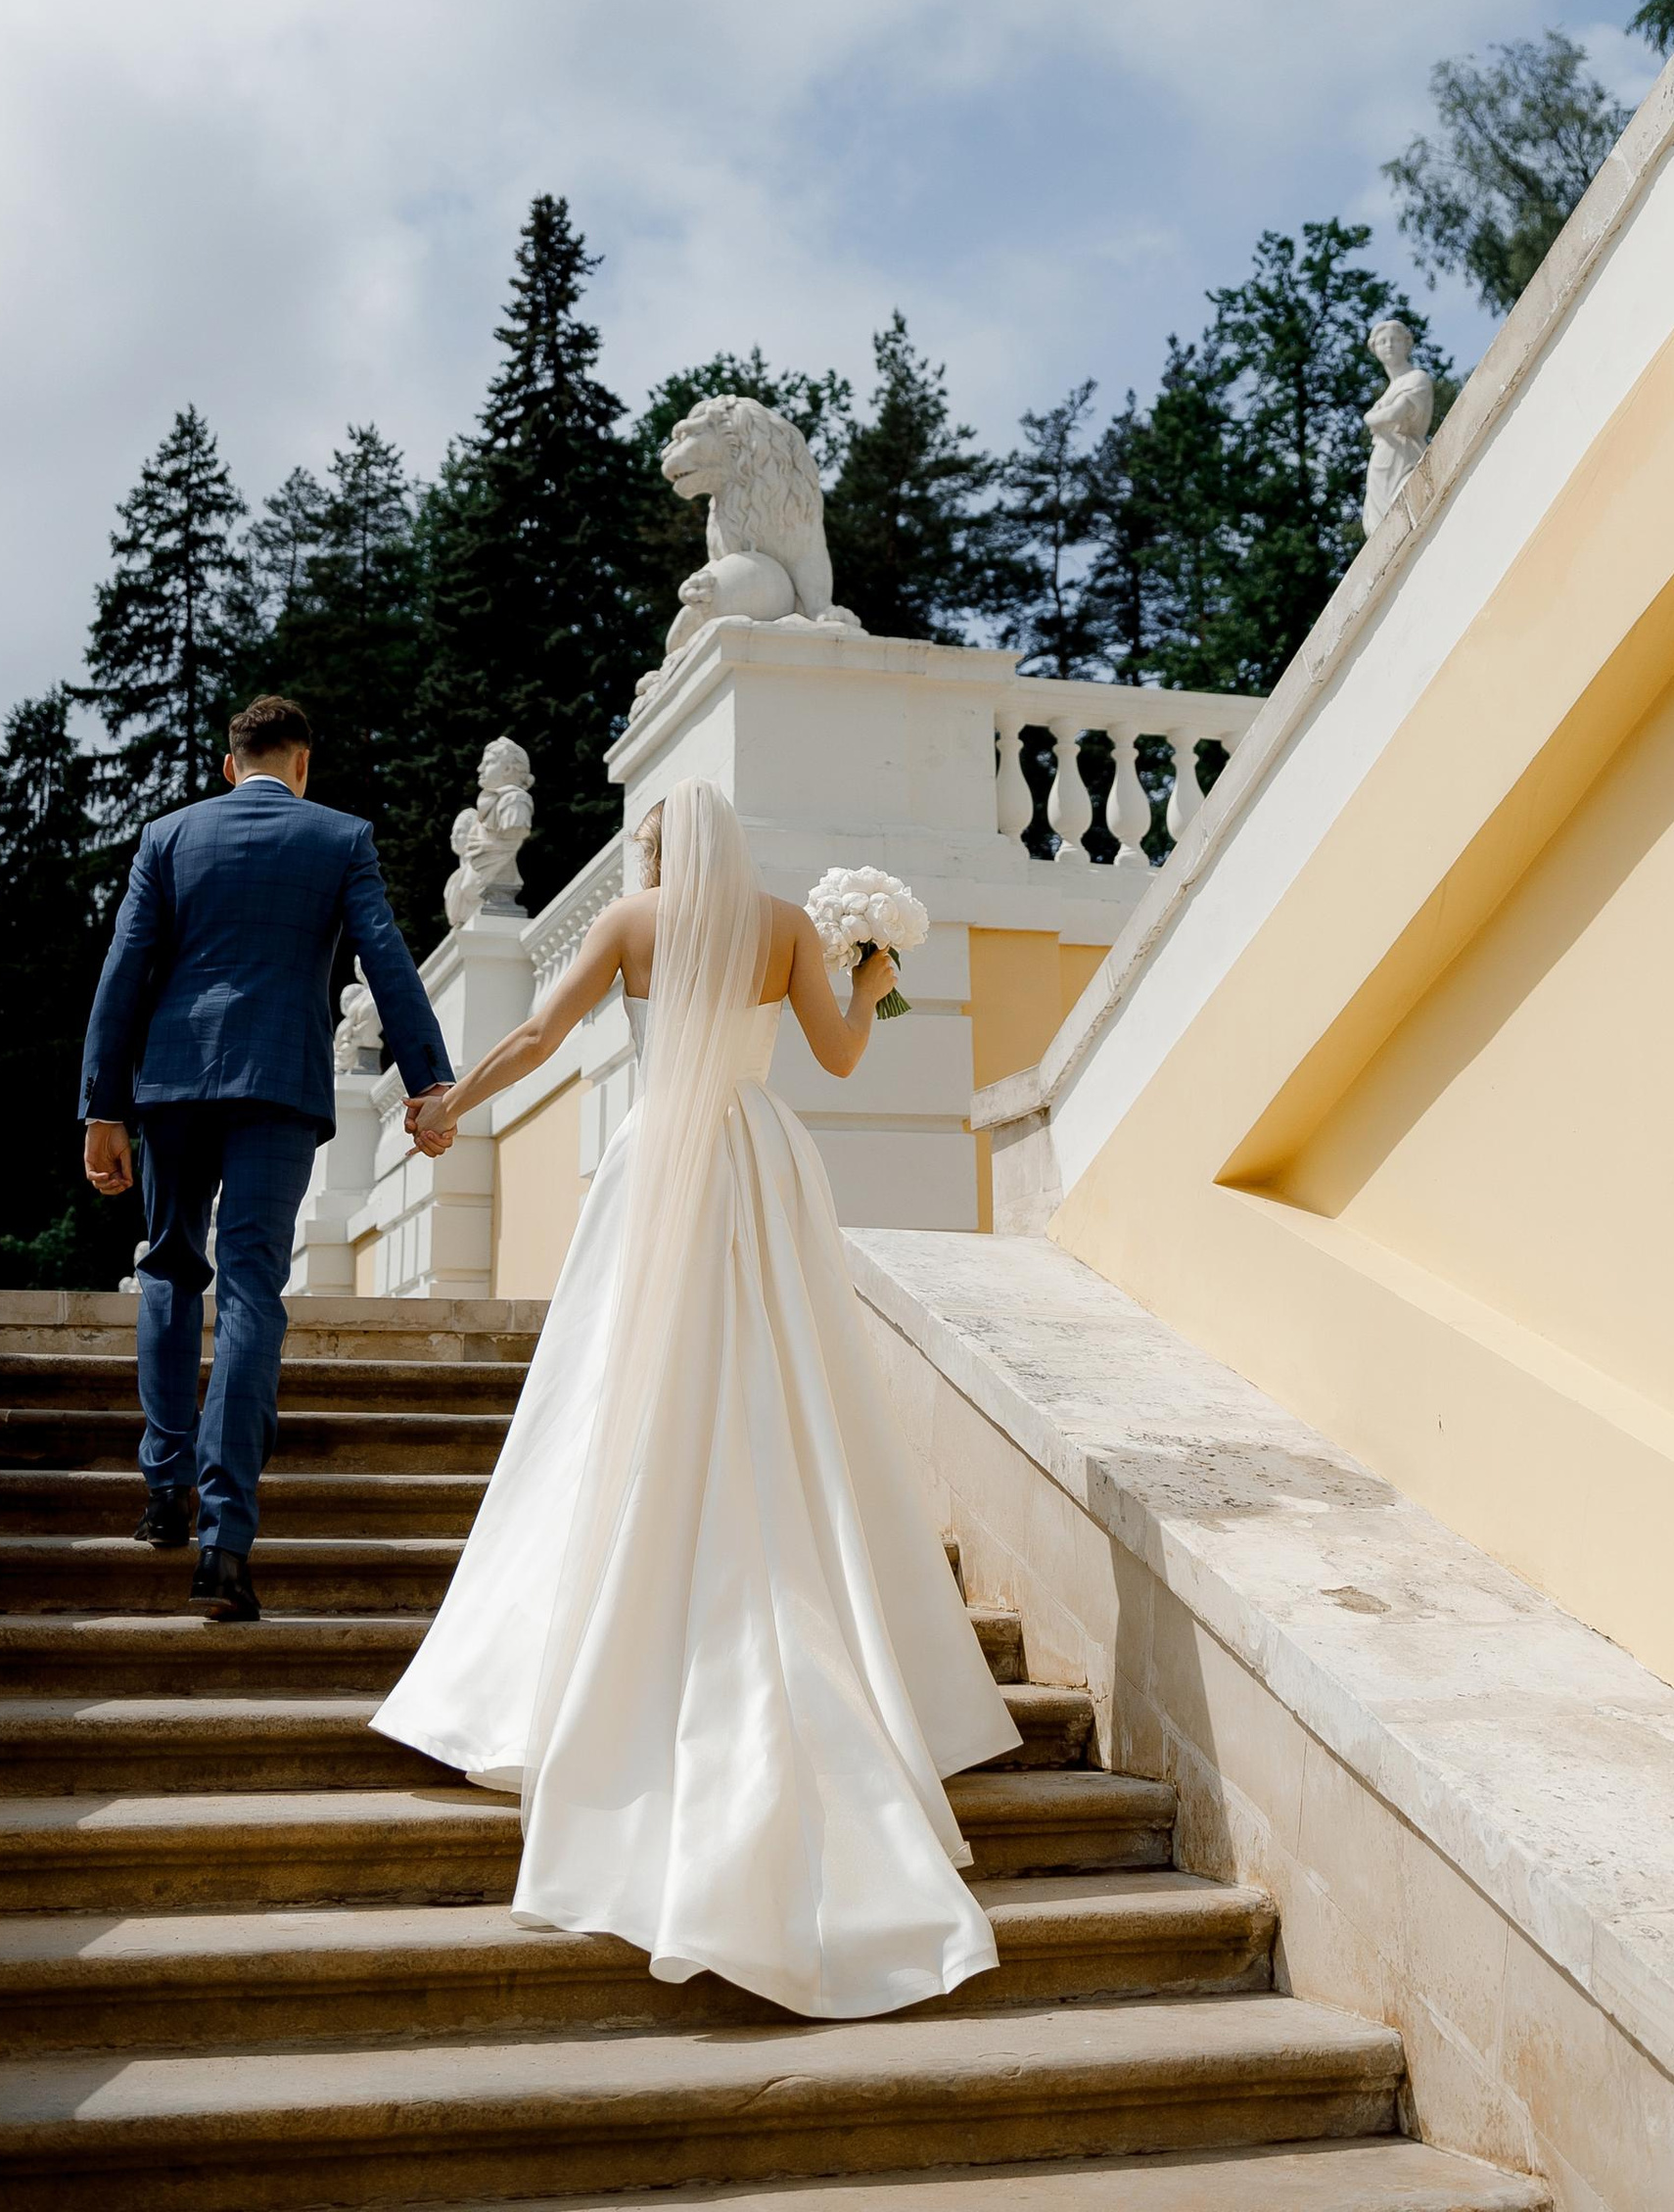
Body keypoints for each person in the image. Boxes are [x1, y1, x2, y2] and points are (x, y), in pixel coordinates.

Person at [376, 779, 1019, 2018]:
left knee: (616, 1395)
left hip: (657, 1160)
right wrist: (873, 968)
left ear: (656, 849)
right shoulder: (783, 925)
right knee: (784, 1385)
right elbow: (838, 1052)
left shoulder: (631, 927)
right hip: (761, 1162)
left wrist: (448, 1106)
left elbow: (536, 1041)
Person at [77, 693, 454, 1621]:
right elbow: (387, 963)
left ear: (226, 763)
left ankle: (163, 1490)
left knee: (169, 1268)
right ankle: (226, 1549)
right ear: (302, 764)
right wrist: (429, 1081)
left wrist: (102, 1108)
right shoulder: (340, 839)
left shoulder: (166, 838)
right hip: (279, 1087)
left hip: (168, 1087)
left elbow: (124, 970)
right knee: (250, 1289)